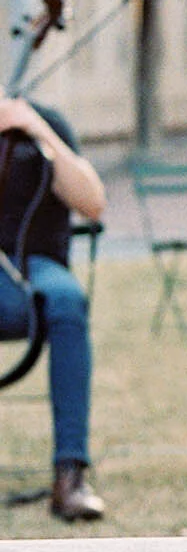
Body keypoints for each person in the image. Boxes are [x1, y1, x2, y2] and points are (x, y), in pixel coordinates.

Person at [0, 94, 107, 521]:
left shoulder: (45, 121)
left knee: (66, 300)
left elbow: (92, 203)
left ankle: (70, 476)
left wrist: (34, 127)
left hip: (36, 267)